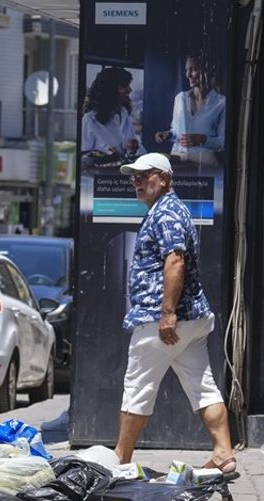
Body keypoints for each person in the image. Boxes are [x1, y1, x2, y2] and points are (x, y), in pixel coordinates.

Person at [113, 152, 237, 477]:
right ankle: (224, 452)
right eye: (133, 177)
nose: (136, 181)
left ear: (164, 178)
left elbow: (175, 261)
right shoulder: (170, 210)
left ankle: (119, 461)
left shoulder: (165, 213)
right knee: (202, 385)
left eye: (144, 175)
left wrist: (167, 313)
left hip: (163, 321)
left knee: (137, 386)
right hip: (192, 319)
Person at [155, 55, 227, 167]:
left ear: (208, 70)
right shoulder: (180, 98)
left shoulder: (222, 103)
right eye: (186, 70)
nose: (188, 75)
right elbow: (176, 132)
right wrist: (167, 135)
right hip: (178, 164)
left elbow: (222, 143)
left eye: (193, 69)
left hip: (205, 167)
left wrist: (202, 139)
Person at [81, 66, 144, 164]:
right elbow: (84, 158)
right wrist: (106, 153)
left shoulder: (124, 115)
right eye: (124, 86)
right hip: (100, 177)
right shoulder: (89, 120)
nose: (129, 90)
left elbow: (131, 152)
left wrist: (132, 148)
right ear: (110, 90)